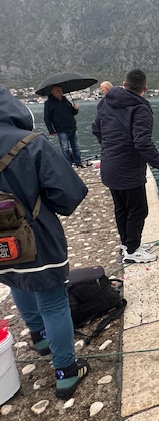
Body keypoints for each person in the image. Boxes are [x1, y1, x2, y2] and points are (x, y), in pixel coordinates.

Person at [0, 84, 90, 399]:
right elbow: (68, 195)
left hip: (1, 245)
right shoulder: (31, 143)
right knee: (52, 301)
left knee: (17, 281)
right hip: (37, 238)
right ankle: (66, 371)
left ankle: (39, 338)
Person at [92, 69, 159, 263]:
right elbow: (142, 142)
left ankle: (127, 245)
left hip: (109, 165)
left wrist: (110, 147)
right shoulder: (140, 109)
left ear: (124, 83)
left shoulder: (105, 102)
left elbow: (96, 129)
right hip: (128, 169)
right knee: (138, 210)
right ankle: (132, 250)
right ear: (145, 89)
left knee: (122, 208)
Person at [43, 84, 83, 167]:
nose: (60, 92)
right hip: (61, 129)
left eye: (61, 91)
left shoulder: (65, 100)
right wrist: (51, 130)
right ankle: (67, 166)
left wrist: (75, 109)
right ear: (53, 92)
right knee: (65, 149)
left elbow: (72, 113)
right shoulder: (49, 103)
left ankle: (78, 163)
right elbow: (47, 118)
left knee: (76, 147)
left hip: (72, 127)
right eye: (58, 91)